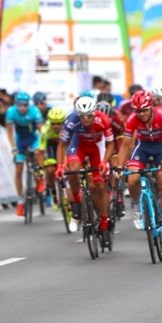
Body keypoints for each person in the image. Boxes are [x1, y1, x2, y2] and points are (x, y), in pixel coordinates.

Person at [118, 89, 162, 247]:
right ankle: (137, 209)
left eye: (144, 110)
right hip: (142, 147)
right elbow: (125, 145)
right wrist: (119, 166)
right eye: (138, 111)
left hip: (161, 147)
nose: (142, 114)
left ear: (151, 107)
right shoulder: (132, 119)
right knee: (132, 179)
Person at [57, 96, 115, 246]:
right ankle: (76, 201)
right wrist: (60, 166)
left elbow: (110, 144)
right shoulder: (71, 121)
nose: (86, 119)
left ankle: (104, 226)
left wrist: (104, 162)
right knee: (73, 169)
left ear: (94, 113)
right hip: (79, 145)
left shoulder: (103, 120)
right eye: (82, 116)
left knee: (100, 186)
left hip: (97, 147)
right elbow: (62, 145)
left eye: (89, 115)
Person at [5, 91, 45, 216]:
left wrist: (40, 147)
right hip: (20, 140)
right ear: (15, 104)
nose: (22, 107)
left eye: (25, 105)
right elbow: (10, 132)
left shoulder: (34, 111)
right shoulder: (11, 111)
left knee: (37, 156)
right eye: (19, 105)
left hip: (33, 139)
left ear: (29, 104)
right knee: (19, 170)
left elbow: (42, 131)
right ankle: (20, 202)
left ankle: (40, 179)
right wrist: (13, 147)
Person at [38, 107, 66, 209]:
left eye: (58, 123)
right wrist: (41, 168)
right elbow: (41, 152)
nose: (55, 126)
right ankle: (53, 192)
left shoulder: (67, 128)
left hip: (65, 147)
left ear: (63, 122)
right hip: (51, 147)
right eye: (53, 123)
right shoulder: (45, 130)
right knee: (50, 169)